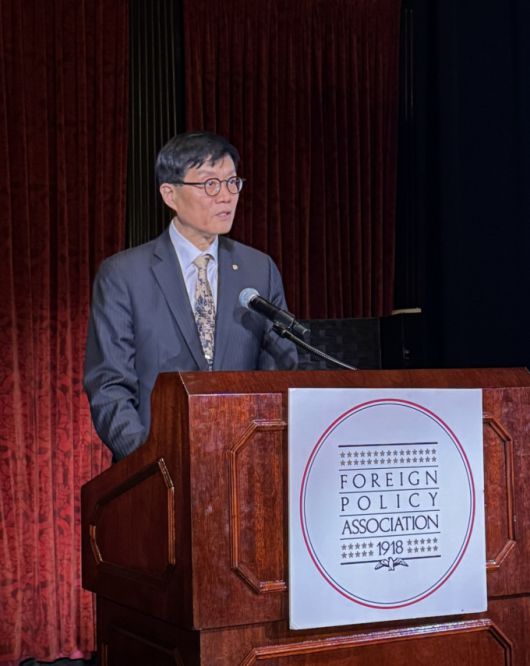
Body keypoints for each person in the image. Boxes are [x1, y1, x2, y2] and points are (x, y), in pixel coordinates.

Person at [84, 131, 298, 460]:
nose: (226, 196)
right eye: (210, 184)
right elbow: (109, 385)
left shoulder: (259, 269)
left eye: (232, 182)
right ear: (170, 194)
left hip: (243, 464)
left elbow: (280, 369)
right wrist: (150, 462)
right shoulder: (123, 275)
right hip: (155, 468)